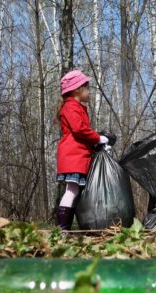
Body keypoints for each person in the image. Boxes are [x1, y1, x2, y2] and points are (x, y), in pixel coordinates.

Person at [55, 69, 109, 230]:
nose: (89, 91)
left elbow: (80, 132)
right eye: (87, 87)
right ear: (77, 89)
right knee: (71, 191)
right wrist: (97, 138)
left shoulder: (75, 107)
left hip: (76, 156)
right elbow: (79, 129)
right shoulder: (71, 107)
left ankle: (64, 229)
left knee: (74, 192)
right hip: (73, 157)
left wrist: (96, 143)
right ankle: (61, 230)